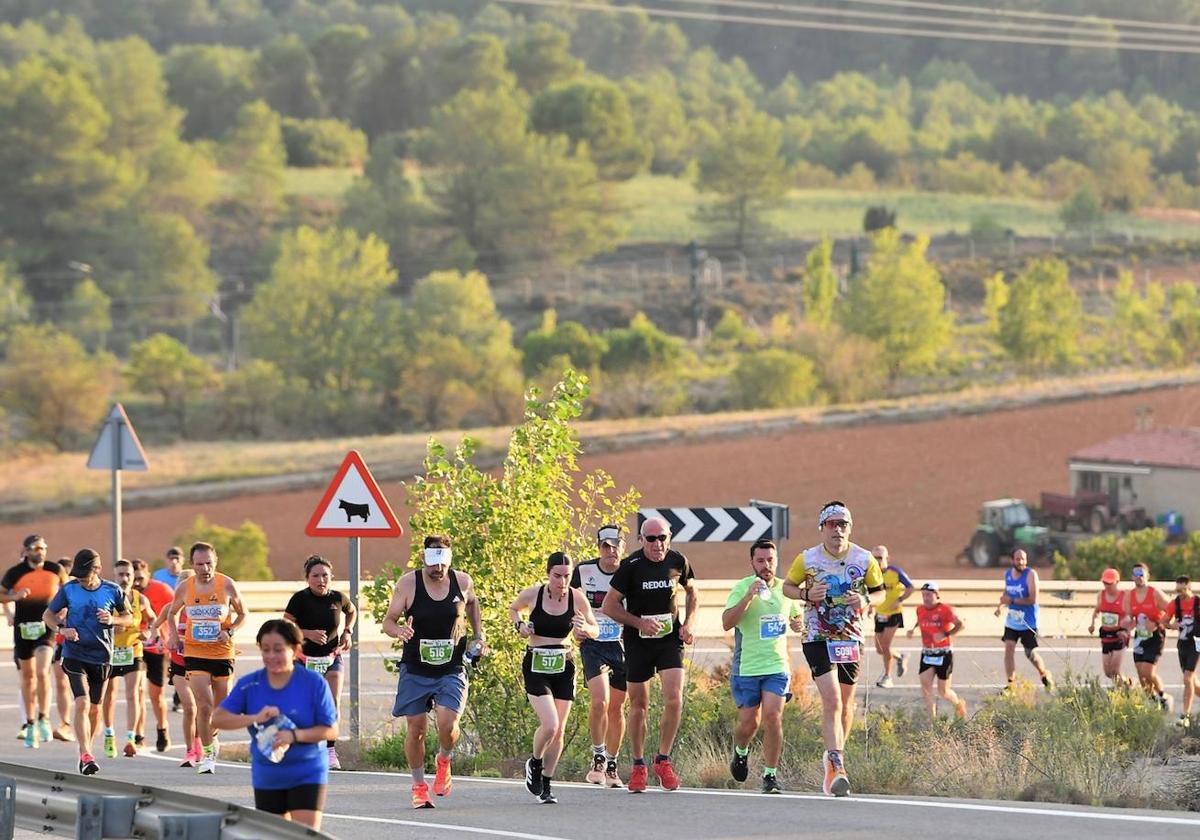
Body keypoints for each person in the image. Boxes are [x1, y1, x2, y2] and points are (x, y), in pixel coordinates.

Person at [782, 501, 884, 798]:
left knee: (847, 704)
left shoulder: (864, 559)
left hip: (849, 637)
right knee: (832, 700)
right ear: (822, 528)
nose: (838, 529)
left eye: (844, 524)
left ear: (850, 527)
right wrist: (804, 593)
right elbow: (787, 587)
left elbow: (879, 592)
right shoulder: (808, 558)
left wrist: (866, 601)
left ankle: (835, 755)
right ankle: (837, 764)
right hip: (817, 635)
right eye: (832, 524)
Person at [381, 535, 485, 810]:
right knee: (416, 729)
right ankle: (418, 786)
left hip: (451, 667)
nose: (437, 570)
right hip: (416, 667)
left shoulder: (462, 581)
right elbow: (388, 620)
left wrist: (479, 635)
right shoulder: (407, 583)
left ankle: (444, 760)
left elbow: (473, 604)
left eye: (442, 564)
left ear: (449, 561)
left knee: (448, 724)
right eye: (432, 564)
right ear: (424, 559)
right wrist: (399, 631)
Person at [601, 517, 697, 794]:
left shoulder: (678, 561)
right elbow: (609, 606)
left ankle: (663, 760)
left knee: (674, 698)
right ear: (641, 540)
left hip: (669, 640)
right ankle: (639, 764)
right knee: (639, 704)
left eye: (662, 538)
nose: (658, 544)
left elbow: (694, 593)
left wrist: (689, 623)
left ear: (670, 537)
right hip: (638, 642)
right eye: (651, 539)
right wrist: (639, 623)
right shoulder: (630, 567)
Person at [213, 619, 337, 829]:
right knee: (275, 835)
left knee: (303, 835)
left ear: (295, 649)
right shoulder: (250, 684)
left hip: (307, 771)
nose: (271, 656)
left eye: (278, 650)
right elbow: (217, 719)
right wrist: (254, 718)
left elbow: (330, 729)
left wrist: (294, 736)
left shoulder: (313, 683)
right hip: (268, 773)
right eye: (265, 650)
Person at [511, 552, 599, 804]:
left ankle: (546, 784)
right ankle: (535, 762)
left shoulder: (577, 598)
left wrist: (585, 629)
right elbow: (514, 609)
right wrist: (520, 626)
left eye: (567, 576)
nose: (562, 581)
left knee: (559, 731)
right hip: (537, 662)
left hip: (564, 664)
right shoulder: (533, 594)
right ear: (548, 573)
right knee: (549, 724)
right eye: (557, 576)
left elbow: (595, 628)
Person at [156, 542, 247, 775]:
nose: (204, 568)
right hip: (195, 653)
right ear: (192, 565)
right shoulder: (186, 587)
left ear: (215, 562)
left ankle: (212, 735)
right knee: (203, 706)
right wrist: (175, 636)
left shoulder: (226, 584)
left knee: (220, 708)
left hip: (222, 652)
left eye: (209, 563)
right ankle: (207, 754)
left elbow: (243, 613)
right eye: (199, 564)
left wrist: (230, 630)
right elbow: (172, 612)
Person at [722, 538, 802, 794]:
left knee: (773, 716)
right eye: (760, 560)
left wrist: (798, 623)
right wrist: (748, 596)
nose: (766, 565)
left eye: (770, 560)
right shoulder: (742, 587)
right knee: (749, 724)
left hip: (777, 666)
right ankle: (741, 751)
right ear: (752, 562)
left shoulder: (785, 589)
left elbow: (795, 615)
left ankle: (770, 776)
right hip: (747, 667)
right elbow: (726, 622)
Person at [43, 549, 132, 775]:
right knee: (81, 703)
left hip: (102, 657)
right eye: (78, 574)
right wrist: (63, 629)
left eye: (85, 574)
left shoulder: (113, 590)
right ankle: (86, 754)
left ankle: (87, 750)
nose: (81, 579)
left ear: (98, 570)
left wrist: (113, 619)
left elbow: (129, 618)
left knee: (95, 709)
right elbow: (48, 615)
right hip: (74, 654)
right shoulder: (69, 589)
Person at [283, 555, 357, 770]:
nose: (320, 580)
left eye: (325, 575)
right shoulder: (300, 599)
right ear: (307, 578)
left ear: (331, 577)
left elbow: (351, 611)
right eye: (315, 576)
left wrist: (347, 632)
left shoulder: (337, 598)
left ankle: (330, 750)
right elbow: (286, 625)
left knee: (332, 702)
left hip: (331, 657)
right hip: (303, 659)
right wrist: (306, 633)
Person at [570, 525, 628, 788]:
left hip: (623, 645)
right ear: (598, 547)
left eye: (615, 545)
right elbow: (566, 601)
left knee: (617, 707)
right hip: (594, 643)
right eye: (605, 545)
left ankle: (613, 764)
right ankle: (598, 756)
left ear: (622, 547)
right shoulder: (584, 571)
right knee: (600, 701)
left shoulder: (630, 571)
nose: (610, 550)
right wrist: (574, 629)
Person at [1, 534, 66, 748]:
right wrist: (15, 597)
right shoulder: (15, 573)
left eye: (43, 547)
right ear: (27, 551)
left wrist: (64, 611)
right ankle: (30, 723)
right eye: (36, 548)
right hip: (23, 630)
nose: (41, 551)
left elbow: (68, 592)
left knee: (42, 671)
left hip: (45, 628)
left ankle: (44, 718)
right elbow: (1, 594)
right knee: (28, 678)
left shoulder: (55, 570)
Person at [100, 559, 156, 758]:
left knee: (134, 694)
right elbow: (95, 623)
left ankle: (131, 738)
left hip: (133, 650)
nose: (124, 579)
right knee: (110, 694)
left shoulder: (139, 599)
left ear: (134, 577)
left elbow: (152, 619)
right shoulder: (106, 598)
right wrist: (111, 628)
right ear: (113, 577)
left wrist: (149, 632)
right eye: (120, 575)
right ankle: (109, 734)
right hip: (111, 652)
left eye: (128, 575)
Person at [993, 549, 1054, 694]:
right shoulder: (1008, 575)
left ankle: (1044, 674)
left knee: (1030, 653)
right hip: (1012, 621)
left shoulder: (1030, 574)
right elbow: (1006, 593)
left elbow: (1033, 599)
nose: (1021, 562)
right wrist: (1000, 607)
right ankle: (1010, 684)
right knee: (1008, 649)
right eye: (1018, 559)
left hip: (1028, 622)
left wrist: (1012, 600)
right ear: (1012, 560)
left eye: (1023, 559)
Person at [906, 582, 968, 720]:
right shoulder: (920, 609)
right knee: (925, 686)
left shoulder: (946, 609)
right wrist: (913, 629)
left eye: (928, 595)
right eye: (923, 595)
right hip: (927, 652)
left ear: (936, 595)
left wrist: (945, 635)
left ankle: (958, 704)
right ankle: (932, 719)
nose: (925, 598)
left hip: (944, 652)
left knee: (943, 691)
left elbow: (961, 625)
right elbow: (920, 620)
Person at [132, 559, 175, 751]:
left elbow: (176, 611)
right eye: (134, 579)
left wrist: (167, 634)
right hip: (134, 647)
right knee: (138, 690)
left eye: (141, 578)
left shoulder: (162, 590)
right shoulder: (126, 593)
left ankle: (162, 728)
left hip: (157, 648)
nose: (137, 582)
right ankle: (138, 735)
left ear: (147, 574)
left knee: (156, 694)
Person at [1122, 561, 1170, 711]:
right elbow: (1130, 618)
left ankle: (1162, 696)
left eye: (1141, 574)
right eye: (1135, 574)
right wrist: (1126, 628)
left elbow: (1171, 611)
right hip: (1140, 636)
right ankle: (1152, 701)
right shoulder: (1130, 595)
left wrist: (1156, 622)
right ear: (1132, 577)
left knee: (1148, 672)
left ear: (1147, 576)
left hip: (1156, 635)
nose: (1138, 577)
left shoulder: (1155, 593)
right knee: (1140, 673)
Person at [871, 545, 913, 688]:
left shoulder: (895, 572)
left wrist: (900, 600)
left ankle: (887, 677)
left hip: (894, 614)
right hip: (880, 613)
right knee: (879, 649)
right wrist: (870, 606)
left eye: (880, 558)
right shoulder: (870, 574)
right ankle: (900, 657)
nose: (877, 561)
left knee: (885, 645)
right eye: (874, 558)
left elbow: (910, 587)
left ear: (887, 558)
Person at [1164, 575, 1200, 726]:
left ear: (1189, 586)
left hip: (1197, 642)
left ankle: (1186, 715)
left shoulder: (1198, 602)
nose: (1181, 593)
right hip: (1183, 643)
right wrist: (1173, 626)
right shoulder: (1175, 604)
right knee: (1191, 681)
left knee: (1187, 678)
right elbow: (1164, 621)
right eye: (1178, 591)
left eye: (1183, 590)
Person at [1088, 567, 1130, 688]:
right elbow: (1096, 611)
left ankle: (1122, 694)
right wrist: (1092, 624)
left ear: (1117, 582)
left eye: (1109, 583)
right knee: (1108, 672)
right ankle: (1127, 683)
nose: (1107, 586)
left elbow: (1130, 616)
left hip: (1119, 635)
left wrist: (1125, 629)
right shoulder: (1101, 595)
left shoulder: (1124, 596)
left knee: (1115, 669)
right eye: (1105, 583)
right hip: (1106, 635)